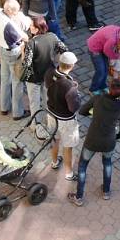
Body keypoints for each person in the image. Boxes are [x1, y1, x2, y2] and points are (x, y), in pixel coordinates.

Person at [68, 77, 120, 207]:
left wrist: (94, 114)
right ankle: (106, 191)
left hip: (92, 140)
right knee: (107, 163)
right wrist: (114, 137)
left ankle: (79, 197)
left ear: (109, 87)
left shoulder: (98, 98)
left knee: (83, 166)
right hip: (109, 142)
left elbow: (82, 111)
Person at [45, 51, 81, 182]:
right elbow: (74, 107)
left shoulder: (50, 73)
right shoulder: (69, 85)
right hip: (65, 119)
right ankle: (69, 173)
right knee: (68, 146)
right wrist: (75, 91)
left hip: (51, 113)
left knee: (54, 139)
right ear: (71, 66)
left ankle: (54, 162)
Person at [0, 0, 31, 120]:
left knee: (4, 79)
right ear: (10, 11)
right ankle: (18, 112)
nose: (16, 14)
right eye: (15, 12)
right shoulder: (9, 25)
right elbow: (24, 37)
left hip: (2, 49)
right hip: (14, 53)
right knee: (17, 82)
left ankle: (4, 107)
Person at [21, 16, 67, 116]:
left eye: (31, 26)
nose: (30, 28)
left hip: (34, 78)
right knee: (48, 101)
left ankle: (36, 126)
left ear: (37, 28)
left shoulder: (31, 43)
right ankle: (50, 123)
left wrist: (22, 51)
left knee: (34, 104)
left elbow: (26, 64)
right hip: (49, 75)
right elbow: (64, 49)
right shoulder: (52, 36)